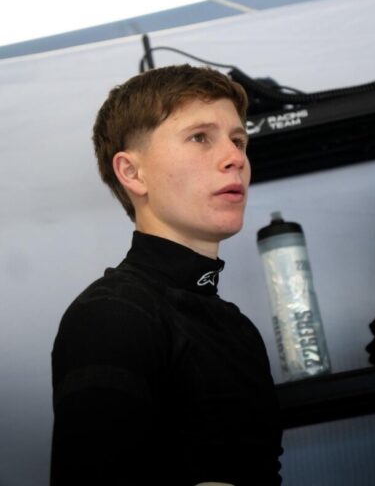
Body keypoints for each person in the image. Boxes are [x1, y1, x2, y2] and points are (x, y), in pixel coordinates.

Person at [50, 64, 283, 486]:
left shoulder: (238, 328)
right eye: (200, 138)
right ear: (131, 172)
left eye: (238, 141)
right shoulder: (111, 315)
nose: (235, 158)